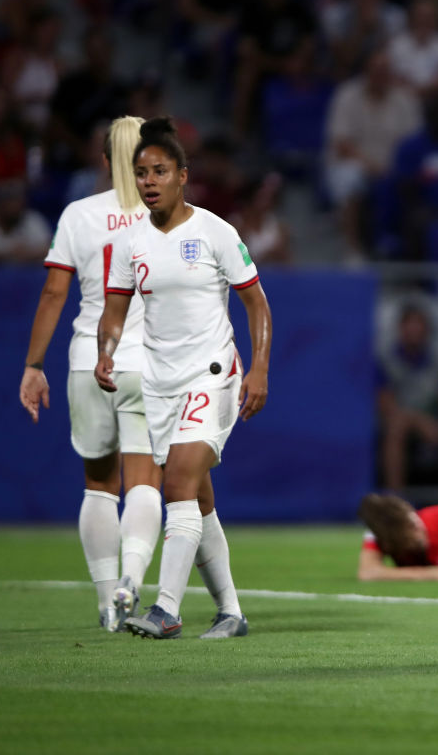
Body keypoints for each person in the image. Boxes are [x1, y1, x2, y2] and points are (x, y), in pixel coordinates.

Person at [96, 117, 273, 641]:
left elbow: (256, 304)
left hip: (211, 372)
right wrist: (106, 351)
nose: (149, 181)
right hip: (160, 382)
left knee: (176, 485)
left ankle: (166, 609)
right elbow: (114, 311)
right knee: (198, 499)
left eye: (159, 171)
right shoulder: (130, 243)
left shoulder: (215, 232)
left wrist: (259, 368)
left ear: (182, 176)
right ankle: (231, 612)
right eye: (141, 173)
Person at [18, 116, 163, 632]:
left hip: (88, 358)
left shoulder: (79, 215)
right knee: (145, 480)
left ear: (102, 160)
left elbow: (54, 293)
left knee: (99, 487)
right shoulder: (168, 214)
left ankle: (107, 605)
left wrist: (34, 365)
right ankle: (132, 582)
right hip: (149, 362)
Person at [377, 303, 438, 507]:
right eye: (409, 324)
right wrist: (419, 422)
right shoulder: (386, 360)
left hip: (435, 421)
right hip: (403, 423)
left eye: (419, 324)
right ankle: (396, 503)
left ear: (427, 329)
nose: (414, 330)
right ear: (400, 328)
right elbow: (387, 407)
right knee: (396, 427)